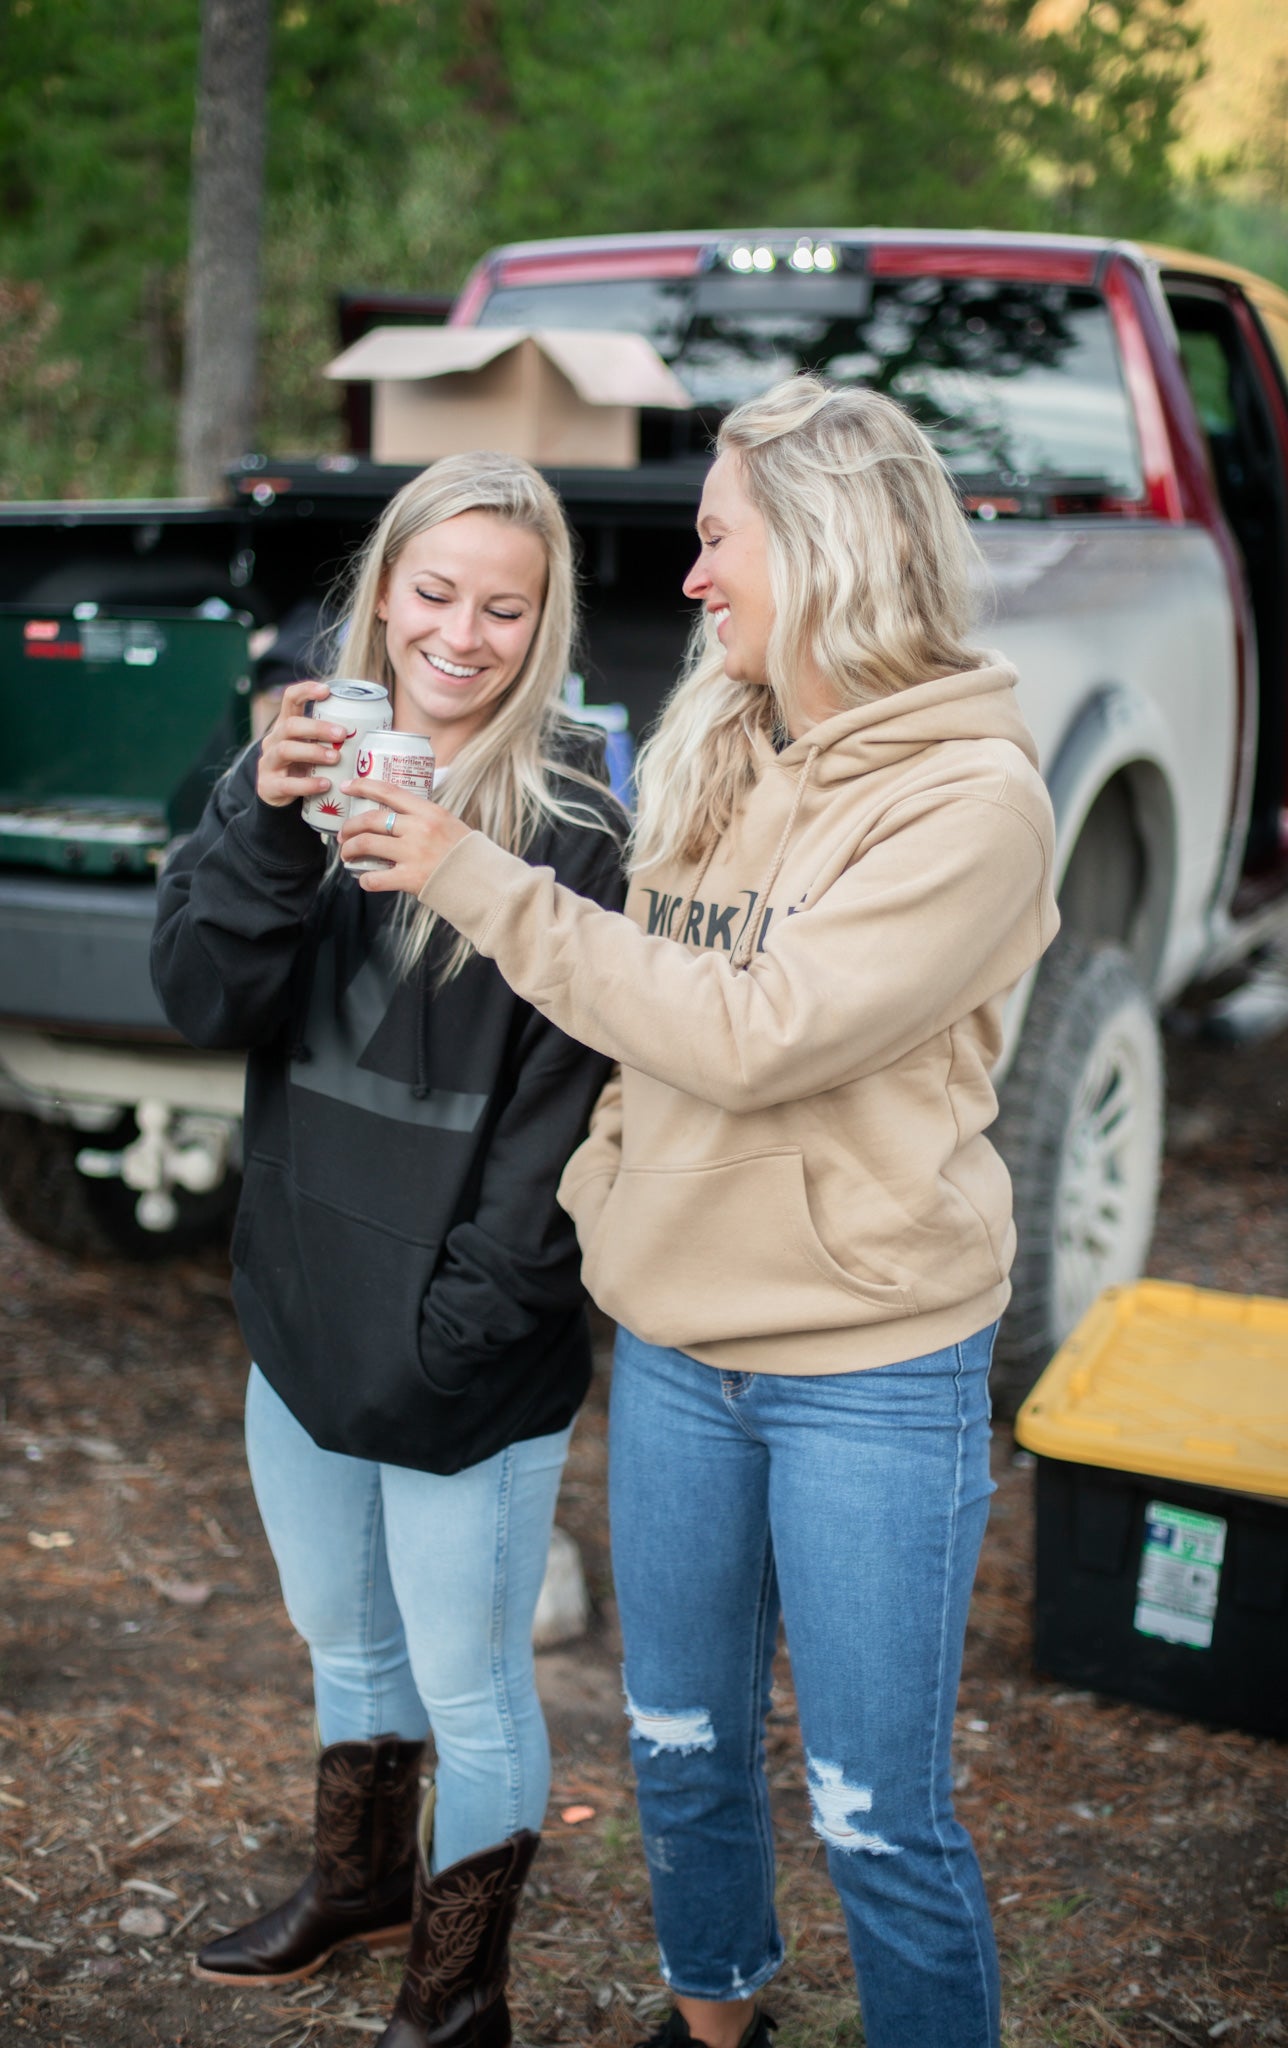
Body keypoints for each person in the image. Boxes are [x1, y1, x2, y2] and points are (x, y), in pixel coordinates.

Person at [335, 375, 1060, 2048]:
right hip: (675, 1339)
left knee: (877, 1811)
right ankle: (712, 2019)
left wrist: (462, 867)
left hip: (870, 1365)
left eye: (719, 538)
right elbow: (634, 1009)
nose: (694, 578)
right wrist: (610, 1184)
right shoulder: (723, 740)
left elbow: (751, 1031)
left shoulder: (968, 806)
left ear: (821, 551)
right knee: (676, 1742)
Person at [150, 451, 627, 2048]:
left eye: (507, 605)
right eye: (433, 594)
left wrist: (457, 1337)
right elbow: (205, 1001)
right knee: (344, 1639)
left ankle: (459, 1985)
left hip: (458, 1353)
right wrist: (269, 824)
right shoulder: (295, 768)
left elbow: (555, 1141)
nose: (463, 634)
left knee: (475, 1679)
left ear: (545, 621)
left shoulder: (572, 833)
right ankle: (358, 1888)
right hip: (303, 1313)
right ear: (382, 593)